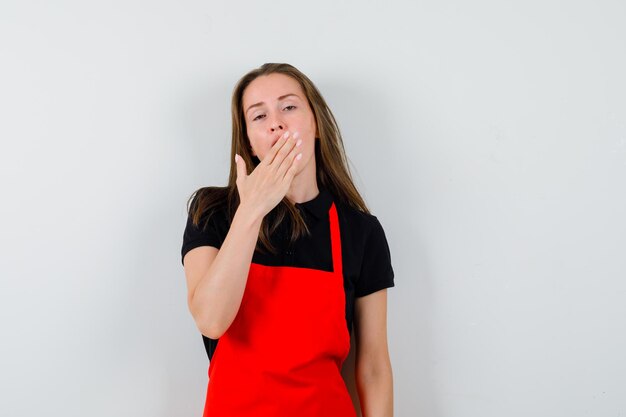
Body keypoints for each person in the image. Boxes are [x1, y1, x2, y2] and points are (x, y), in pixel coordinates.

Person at [181, 63, 395, 417]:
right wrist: (252, 210)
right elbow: (211, 319)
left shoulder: (360, 231)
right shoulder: (213, 212)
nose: (276, 122)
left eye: (289, 107)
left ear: (315, 124)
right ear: (249, 141)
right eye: (259, 115)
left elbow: (372, 368)